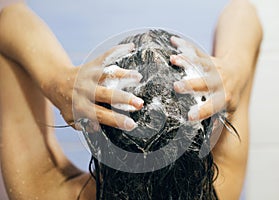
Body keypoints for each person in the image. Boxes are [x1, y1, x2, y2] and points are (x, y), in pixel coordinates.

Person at [0, 0, 262, 199]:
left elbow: (10, 19)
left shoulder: (46, 191)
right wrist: (234, 69)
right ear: (212, 126)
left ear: (92, 128)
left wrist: (57, 80)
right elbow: (242, 12)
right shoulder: (221, 189)